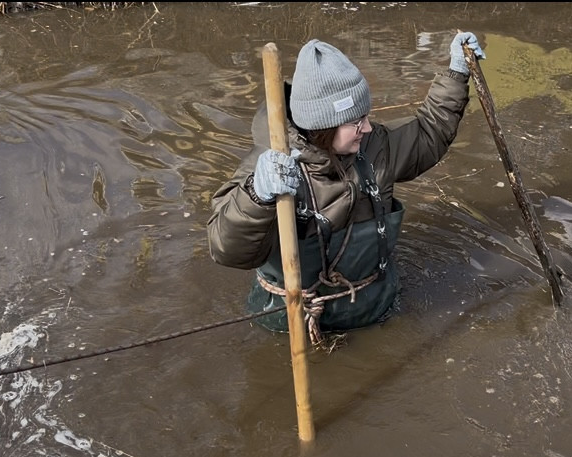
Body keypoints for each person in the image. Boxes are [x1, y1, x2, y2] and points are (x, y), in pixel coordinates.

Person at [206, 32, 485, 344]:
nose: (366, 127)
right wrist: (256, 196)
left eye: (365, 116)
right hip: (292, 326)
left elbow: (428, 135)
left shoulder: (374, 144)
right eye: (355, 121)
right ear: (321, 128)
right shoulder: (272, 168)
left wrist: (457, 74)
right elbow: (227, 251)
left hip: (373, 310)